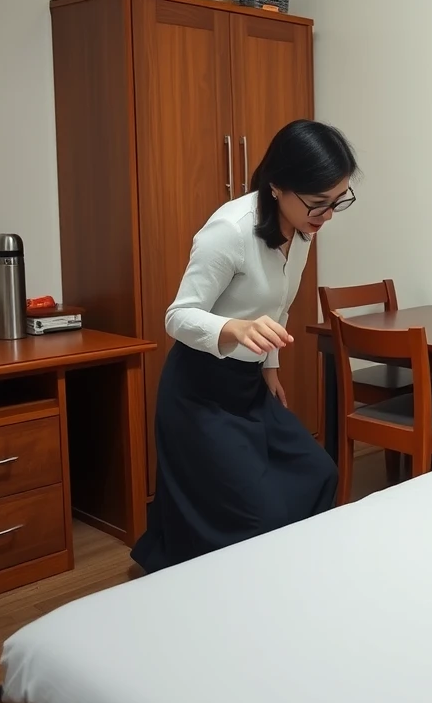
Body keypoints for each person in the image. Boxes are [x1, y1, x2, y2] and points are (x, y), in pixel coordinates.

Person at [131, 120, 358, 573]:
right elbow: (177, 316)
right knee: (257, 514)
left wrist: (269, 368)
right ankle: (213, 584)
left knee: (320, 473)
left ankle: (289, 575)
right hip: (198, 393)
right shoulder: (230, 231)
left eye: (339, 201)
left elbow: (277, 307)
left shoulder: (303, 231)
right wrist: (233, 330)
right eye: (319, 204)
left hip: (247, 385)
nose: (328, 215)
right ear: (277, 186)